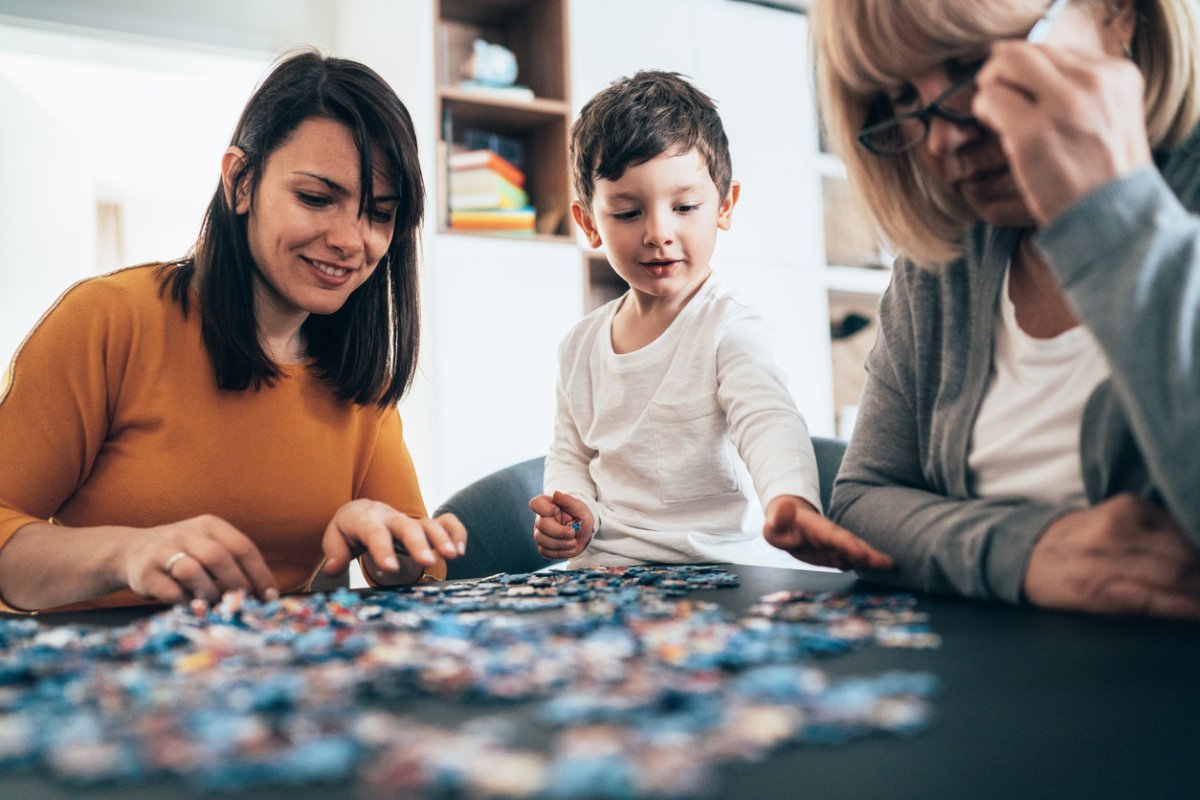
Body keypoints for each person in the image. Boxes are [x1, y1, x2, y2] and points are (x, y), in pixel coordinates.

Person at [0, 49, 466, 612]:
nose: (351, 239)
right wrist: (126, 554)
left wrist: (385, 537)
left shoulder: (360, 381)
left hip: (266, 683)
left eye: (380, 213)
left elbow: (422, 575)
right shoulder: (109, 319)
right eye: (317, 199)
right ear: (240, 182)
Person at [810, 0, 1200, 618]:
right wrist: (1029, 553)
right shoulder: (945, 260)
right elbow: (862, 500)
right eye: (897, 97)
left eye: (974, 64)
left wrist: (1112, 215)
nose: (943, 138)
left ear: (1116, 12)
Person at [529, 70, 893, 573]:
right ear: (590, 222)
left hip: (726, 570)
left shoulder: (730, 327)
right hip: (606, 570)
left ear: (724, 206)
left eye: (684, 207)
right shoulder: (579, 346)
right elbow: (570, 453)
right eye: (628, 213)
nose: (659, 233)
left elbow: (768, 422)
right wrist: (573, 510)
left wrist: (790, 502)